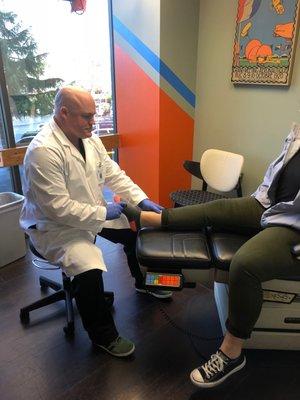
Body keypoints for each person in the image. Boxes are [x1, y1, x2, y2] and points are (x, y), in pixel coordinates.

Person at [127, 123, 300, 387]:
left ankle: (232, 352)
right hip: (270, 205)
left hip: (293, 226)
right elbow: (278, 174)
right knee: (214, 209)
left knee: (245, 263)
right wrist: (259, 199)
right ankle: (151, 218)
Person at [20, 86, 171, 358]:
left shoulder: (89, 138)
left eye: (94, 115)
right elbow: (57, 209)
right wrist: (104, 214)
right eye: (86, 117)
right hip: (54, 228)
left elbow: (113, 173)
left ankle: (144, 281)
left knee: (133, 235)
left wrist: (141, 199)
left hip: (89, 212)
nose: (93, 122)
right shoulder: (43, 152)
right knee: (88, 267)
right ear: (63, 113)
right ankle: (103, 336)